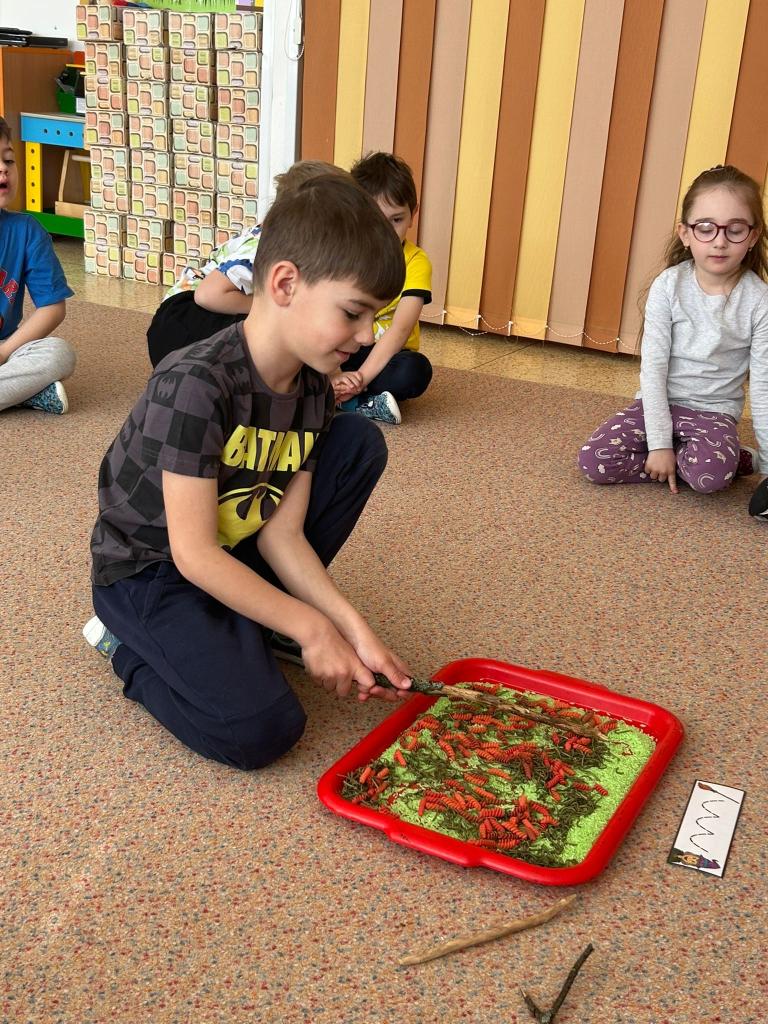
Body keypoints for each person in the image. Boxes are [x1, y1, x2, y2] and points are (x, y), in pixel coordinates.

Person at [83, 174, 413, 770]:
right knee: (262, 730)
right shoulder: (197, 382)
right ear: (285, 283)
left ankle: (247, 623)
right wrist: (311, 629)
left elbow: (282, 533)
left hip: (230, 549)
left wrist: (348, 626)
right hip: (149, 572)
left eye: (375, 318)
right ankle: (127, 651)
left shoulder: (313, 391)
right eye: (353, 313)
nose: (367, 337)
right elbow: (193, 555)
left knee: (358, 443)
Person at [577, 164, 768, 497]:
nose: (719, 242)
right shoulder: (668, 286)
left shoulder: (759, 300)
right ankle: (690, 456)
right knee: (594, 462)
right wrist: (660, 444)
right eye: (706, 228)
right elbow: (653, 371)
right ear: (685, 233)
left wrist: (766, 466)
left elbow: (764, 387)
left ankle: (737, 460)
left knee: (709, 478)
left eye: (735, 230)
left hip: (713, 413)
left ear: (753, 236)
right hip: (657, 405)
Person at [146, 160, 350, 368]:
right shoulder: (271, 244)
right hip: (186, 317)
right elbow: (208, 295)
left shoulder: (289, 240)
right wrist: (273, 307)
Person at [332, 151, 433, 425]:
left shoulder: (416, 262)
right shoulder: (342, 255)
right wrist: (334, 372)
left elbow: (400, 330)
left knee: (415, 371)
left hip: (386, 355)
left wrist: (360, 378)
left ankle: (347, 396)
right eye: (376, 219)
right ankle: (354, 399)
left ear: (413, 214)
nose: (386, 231)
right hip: (340, 349)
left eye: (396, 220)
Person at [0, 116, 75, 414]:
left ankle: (20, 389)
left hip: (6, 347)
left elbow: (52, 308)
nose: (3, 168)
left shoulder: (27, 231)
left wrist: (4, 353)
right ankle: (27, 392)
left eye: (9, 160)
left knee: (59, 354)